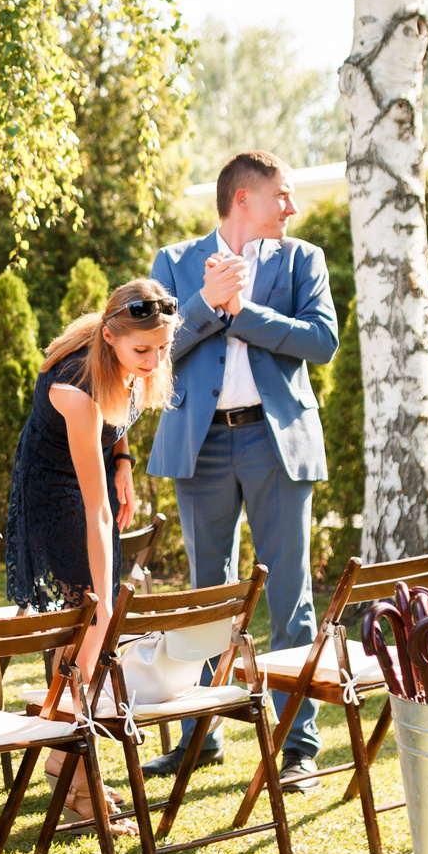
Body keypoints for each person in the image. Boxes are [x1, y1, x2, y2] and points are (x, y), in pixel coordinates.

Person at [147, 151, 339, 793]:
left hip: (275, 442)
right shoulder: (174, 264)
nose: (292, 207)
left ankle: (297, 746)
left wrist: (242, 315)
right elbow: (150, 351)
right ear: (242, 200)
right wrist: (204, 301)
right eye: (282, 195)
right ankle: (203, 735)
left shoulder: (302, 261)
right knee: (208, 597)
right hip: (200, 448)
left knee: (291, 597)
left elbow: (322, 341)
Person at [4, 278, 179, 830]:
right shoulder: (75, 388)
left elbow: (119, 412)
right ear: (109, 337)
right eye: (141, 351)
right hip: (55, 492)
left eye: (162, 349)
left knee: (88, 635)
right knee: (91, 625)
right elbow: (95, 508)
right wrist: (104, 599)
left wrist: (124, 459)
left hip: (93, 476)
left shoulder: (124, 361)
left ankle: (68, 765)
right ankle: (77, 771)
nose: (152, 362)